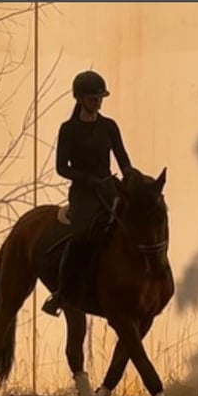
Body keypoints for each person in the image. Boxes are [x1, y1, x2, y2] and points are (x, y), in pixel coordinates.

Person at [41, 70, 133, 317]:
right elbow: (62, 167)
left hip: (108, 187)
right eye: (93, 98)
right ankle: (62, 292)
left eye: (100, 98)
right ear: (80, 99)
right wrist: (85, 179)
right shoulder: (69, 130)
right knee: (81, 235)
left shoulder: (109, 126)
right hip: (83, 192)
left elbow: (122, 157)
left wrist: (131, 178)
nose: (98, 102)